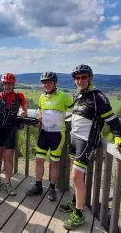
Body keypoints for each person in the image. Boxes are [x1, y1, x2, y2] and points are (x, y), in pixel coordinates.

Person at [61, 64, 121, 230]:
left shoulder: (98, 96)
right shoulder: (79, 95)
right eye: (77, 78)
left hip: (87, 142)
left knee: (76, 176)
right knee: (77, 175)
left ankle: (78, 215)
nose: (80, 80)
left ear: (90, 78)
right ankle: (75, 201)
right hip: (74, 139)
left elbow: (113, 120)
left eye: (83, 77)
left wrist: (118, 138)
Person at [26, 72, 73, 201]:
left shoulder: (63, 96)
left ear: (55, 83)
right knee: (39, 160)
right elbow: (40, 111)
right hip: (44, 133)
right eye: (44, 82)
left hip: (57, 134)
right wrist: (38, 119)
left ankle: (52, 188)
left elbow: (76, 107)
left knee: (54, 163)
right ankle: (38, 185)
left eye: (49, 82)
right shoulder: (42, 97)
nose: (46, 84)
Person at [0, 73, 27, 196]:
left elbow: (24, 109)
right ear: (2, 84)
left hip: (10, 130)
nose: (8, 86)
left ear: (13, 85)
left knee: (9, 157)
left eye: (10, 84)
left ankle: (8, 182)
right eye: (6, 84)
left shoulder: (19, 96)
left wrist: (23, 114)